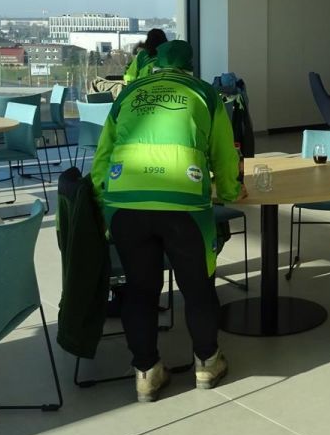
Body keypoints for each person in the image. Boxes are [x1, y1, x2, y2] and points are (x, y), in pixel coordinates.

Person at [91, 40, 242, 401]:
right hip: (183, 203)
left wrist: (99, 201)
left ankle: (146, 373)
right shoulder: (205, 94)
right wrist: (230, 191)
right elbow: (224, 154)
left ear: (155, 64)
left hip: (125, 203)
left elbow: (103, 155)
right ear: (190, 66)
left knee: (140, 290)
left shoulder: (129, 94)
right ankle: (207, 364)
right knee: (197, 288)